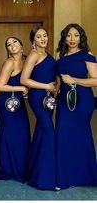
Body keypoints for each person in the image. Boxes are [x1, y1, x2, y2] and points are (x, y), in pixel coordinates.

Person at [55, 23, 97, 189]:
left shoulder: (87, 55)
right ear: (64, 37)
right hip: (63, 100)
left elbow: (95, 80)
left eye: (76, 35)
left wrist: (75, 80)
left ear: (81, 37)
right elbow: (58, 79)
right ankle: (64, 178)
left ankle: (84, 176)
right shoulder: (59, 54)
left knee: (81, 134)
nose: (72, 39)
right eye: (69, 35)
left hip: (83, 100)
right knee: (62, 134)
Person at [20, 25, 56, 190]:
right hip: (38, 97)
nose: (43, 39)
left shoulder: (48, 54)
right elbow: (24, 79)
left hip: (49, 97)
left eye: (45, 36)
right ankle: (45, 179)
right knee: (48, 131)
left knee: (42, 132)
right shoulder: (33, 55)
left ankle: (34, 172)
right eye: (39, 37)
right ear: (33, 40)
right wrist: (46, 86)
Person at [0, 36, 30, 182]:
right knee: (10, 135)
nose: (12, 45)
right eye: (8, 44)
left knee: (22, 134)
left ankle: (22, 167)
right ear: (8, 50)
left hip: (18, 101)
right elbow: (0, 86)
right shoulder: (10, 63)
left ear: (21, 45)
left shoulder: (26, 61)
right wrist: (21, 87)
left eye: (14, 42)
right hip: (7, 102)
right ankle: (9, 169)